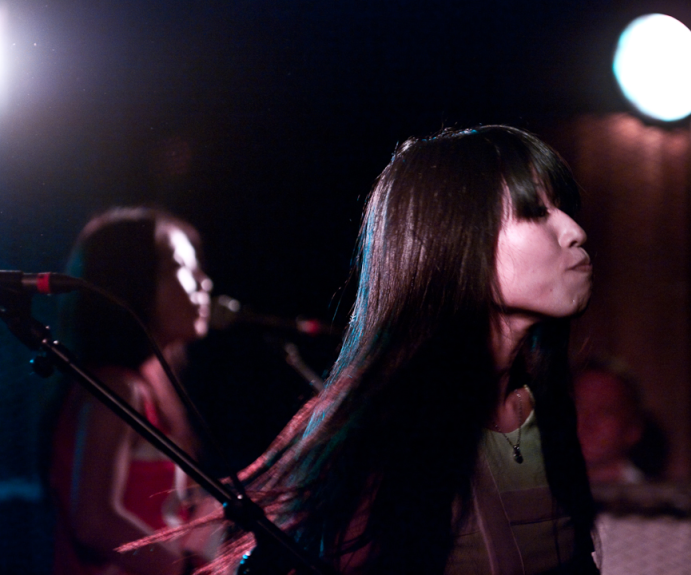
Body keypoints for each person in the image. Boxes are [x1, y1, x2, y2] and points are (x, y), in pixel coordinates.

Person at [153, 125, 598, 575]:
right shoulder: (392, 424)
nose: (575, 231)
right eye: (535, 212)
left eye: (564, 208)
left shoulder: (547, 409)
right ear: (456, 239)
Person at [47, 207, 217, 575]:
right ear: (132, 282)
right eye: (180, 267)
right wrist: (185, 569)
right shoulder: (114, 387)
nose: (204, 281)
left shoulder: (147, 387)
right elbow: (94, 520)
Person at [574, 359, 691, 575]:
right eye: (577, 408)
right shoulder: (530, 508)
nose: (586, 423)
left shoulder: (671, 516)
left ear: (633, 428)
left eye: (604, 411)